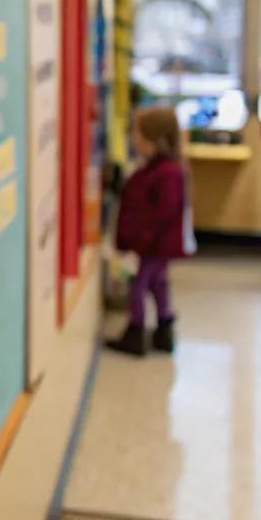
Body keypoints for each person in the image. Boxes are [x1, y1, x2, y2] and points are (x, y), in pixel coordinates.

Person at [107, 105, 190, 358]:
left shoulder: (167, 174)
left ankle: (136, 331)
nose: (133, 140)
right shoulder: (155, 169)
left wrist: (141, 240)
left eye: (138, 136)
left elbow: (162, 214)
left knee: (139, 286)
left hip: (153, 244)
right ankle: (163, 329)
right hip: (154, 243)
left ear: (155, 141)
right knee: (157, 283)